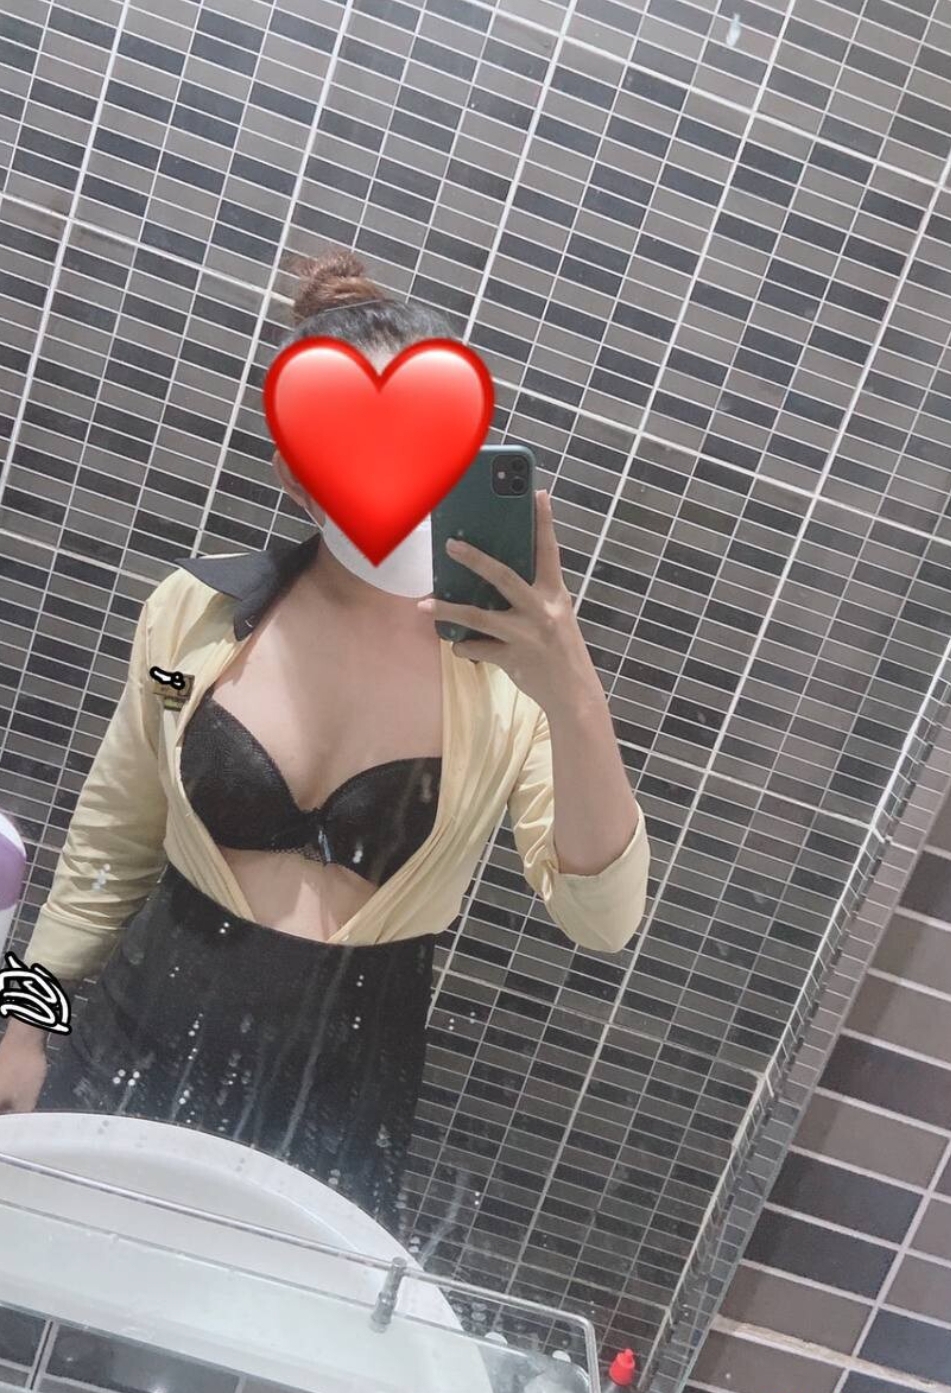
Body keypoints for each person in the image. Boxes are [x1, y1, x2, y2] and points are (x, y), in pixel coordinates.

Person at [0, 249, 651, 1234]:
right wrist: (23, 1021)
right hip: (131, 1042)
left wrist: (572, 690)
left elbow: (602, 919)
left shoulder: (508, 684)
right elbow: (111, 840)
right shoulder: (192, 619)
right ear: (294, 474)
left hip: (340, 1098)